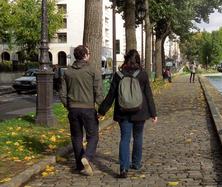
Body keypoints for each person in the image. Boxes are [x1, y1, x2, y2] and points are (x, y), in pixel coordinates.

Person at [98, 49, 157, 179]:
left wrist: (102, 111)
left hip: (123, 112)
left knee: (125, 138)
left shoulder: (118, 75)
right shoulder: (142, 74)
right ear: (138, 60)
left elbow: (111, 95)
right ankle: (136, 163)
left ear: (125, 59)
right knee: (138, 137)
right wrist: (153, 113)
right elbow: (148, 95)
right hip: (140, 112)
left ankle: (123, 168)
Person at [59, 45, 103, 176]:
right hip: (88, 109)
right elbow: (98, 92)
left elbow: (62, 93)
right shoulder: (93, 71)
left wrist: (69, 105)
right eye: (88, 53)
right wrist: (102, 108)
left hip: (73, 109)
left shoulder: (67, 72)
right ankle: (87, 157)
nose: (89, 55)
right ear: (85, 55)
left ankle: (79, 165)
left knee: (76, 137)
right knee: (93, 136)